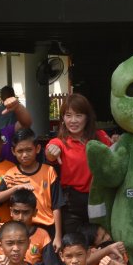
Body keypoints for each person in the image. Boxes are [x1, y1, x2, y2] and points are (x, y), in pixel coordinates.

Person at [44, 93, 113, 234]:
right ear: (62, 119)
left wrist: (116, 142)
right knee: (74, 245)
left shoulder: (100, 136)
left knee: (101, 239)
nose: (73, 120)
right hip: (71, 205)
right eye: (68, 115)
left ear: (87, 117)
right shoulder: (59, 142)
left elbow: (113, 157)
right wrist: (52, 152)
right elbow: (49, 154)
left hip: (98, 199)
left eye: (79, 115)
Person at [0, 128, 65, 251]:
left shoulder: (49, 171)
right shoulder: (11, 174)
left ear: (37, 149)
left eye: (28, 150)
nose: (24, 155)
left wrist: (58, 236)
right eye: (20, 151)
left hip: (47, 227)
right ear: (13, 152)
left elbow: (57, 206)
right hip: (21, 229)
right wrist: (16, 188)